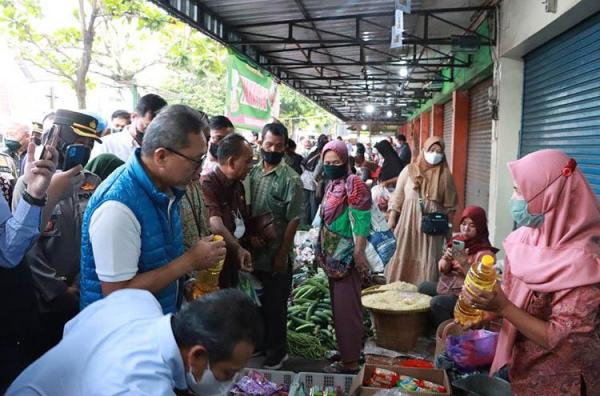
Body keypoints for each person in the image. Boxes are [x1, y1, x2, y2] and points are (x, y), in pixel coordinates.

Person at [468, 150, 600, 395]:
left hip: (563, 382)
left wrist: (504, 308)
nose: (513, 199)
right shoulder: (526, 239)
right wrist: (490, 312)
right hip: (524, 372)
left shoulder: (585, 263)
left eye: (519, 191)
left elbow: (566, 341)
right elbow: (520, 300)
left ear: (550, 196)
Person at [80, 105, 226, 314]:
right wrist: (190, 261)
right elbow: (116, 295)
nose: (200, 169)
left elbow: (158, 264)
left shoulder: (167, 192)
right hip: (123, 336)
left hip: (153, 323)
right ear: (161, 157)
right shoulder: (117, 207)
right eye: (196, 160)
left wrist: (183, 287)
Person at [7, 288, 263, 396]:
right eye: (228, 373)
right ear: (197, 356)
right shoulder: (139, 387)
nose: (230, 382)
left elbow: (72, 330)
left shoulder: (138, 300)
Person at [11, 109, 104, 355]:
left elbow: (98, 238)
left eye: (89, 144)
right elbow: (27, 248)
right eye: (79, 142)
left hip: (84, 295)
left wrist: (81, 285)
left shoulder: (94, 183)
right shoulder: (29, 184)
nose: (85, 149)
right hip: (44, 302)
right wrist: (57, 291)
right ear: (59, 140)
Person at [247, 123, 303, 369]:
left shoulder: (292, 179)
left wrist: (282, 253)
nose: (273, 149)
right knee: (255, 303)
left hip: (276, 254)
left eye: (279, 146)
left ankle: (277, 353)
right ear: (260, 143)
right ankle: (260, 343)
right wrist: (249, 236)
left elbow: (294, 219)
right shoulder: (251, 172)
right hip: (252, 251)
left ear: (285, 148)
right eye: (269, 144)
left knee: (274, 305)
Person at [315, 140, 371, 374]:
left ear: (345, 161)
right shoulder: (332, 184)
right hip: (333, 257)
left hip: (347, 258)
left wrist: (359, 252)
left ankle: (349, 364)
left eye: (335, 162)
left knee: (348, 311)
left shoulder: (353, 184)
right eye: (326, 163)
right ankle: (347, 351)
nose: (330, 166)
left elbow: (362, 221)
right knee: (340, 309)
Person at [386, 136, 458, 285]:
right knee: (404, 255)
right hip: (408, 225)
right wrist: (392, 218)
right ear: (424, 150)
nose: (435, 154)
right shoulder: (409, 170)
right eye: (432, 150)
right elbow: (398, 195)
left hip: (432, 230)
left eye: (439, 151)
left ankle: (424, 296)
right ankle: (398, 295)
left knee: (427, 260)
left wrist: (450, 234)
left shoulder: (446, 176)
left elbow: (450, 208)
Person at [418, 206, 498, 328]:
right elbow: (443, 269)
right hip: (448, 286)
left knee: (437, 303)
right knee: (422, 287)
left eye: (472, 225)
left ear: (480, 227)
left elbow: (479, 285)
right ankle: (429, 327)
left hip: (466, 297)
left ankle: (450, 333)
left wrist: (465, 264)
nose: (466, 228)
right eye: (464, 223)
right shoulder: (458, 241)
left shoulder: (485, 253)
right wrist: (447, 259)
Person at [201, 133, 254, 288]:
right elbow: (215, 224)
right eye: (248, 161)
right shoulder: (208, 184)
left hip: (234, 260)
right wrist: (237, 248)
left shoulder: (238, 185)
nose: (251, 166)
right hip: (216, 264)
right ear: (231, 162)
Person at [90, 93, 167, 162]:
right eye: (147, 126)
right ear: (134, 117)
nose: (152, 132)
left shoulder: (162, 147)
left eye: (158, 128)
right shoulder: (106, 145)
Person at [300, 134, 328, 225]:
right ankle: (313, 227)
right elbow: (316, 172)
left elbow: (302, 163)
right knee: (313, 206)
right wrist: (318, 180)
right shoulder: (322, 154)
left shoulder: (313, 150)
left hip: (304, 179)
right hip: (312, 183)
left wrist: (306, 173)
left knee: (304, 206)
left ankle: (304, 225)